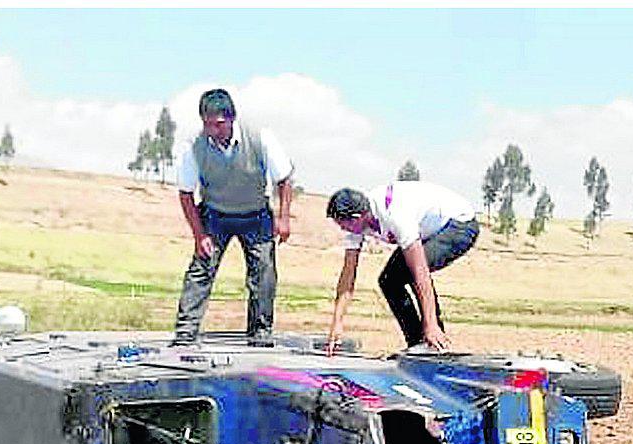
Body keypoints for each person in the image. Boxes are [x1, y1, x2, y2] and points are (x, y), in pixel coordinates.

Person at [174, 88, 294, 346]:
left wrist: (284, 218)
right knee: (201, 268)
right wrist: (200, 235)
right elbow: (185, 193)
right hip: (215, 215)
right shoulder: (193, 146)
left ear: (231, 119)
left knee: (264, 272)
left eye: (218, 124)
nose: (212, 130)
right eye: (207, 124)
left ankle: (260, 331)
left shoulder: (260, 137)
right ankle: (185, 333)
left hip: (256, 215)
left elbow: (284, 179)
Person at [324, 181, 480, 353]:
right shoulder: (355, 226)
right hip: (428, 231)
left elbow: (420, 272)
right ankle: (417, 344)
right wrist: (337, 323)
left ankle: (435, 340)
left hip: (459, 225)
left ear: (357, 217)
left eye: (343, 224)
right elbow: (348, 275)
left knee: (411, 272)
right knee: (388, 281)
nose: (343, 229)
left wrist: (431, 324)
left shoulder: (395, 215)